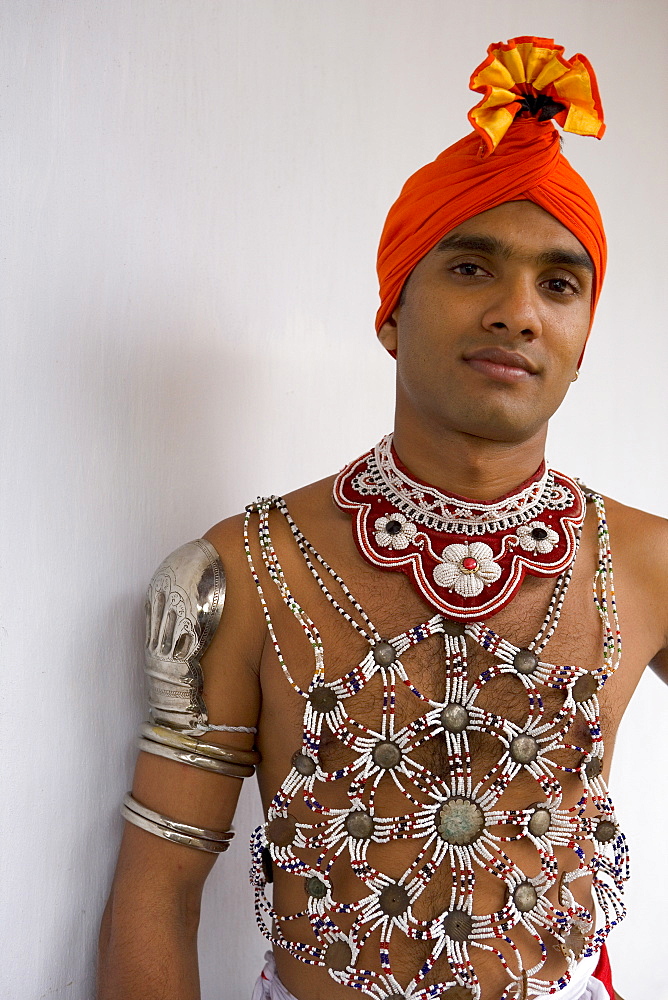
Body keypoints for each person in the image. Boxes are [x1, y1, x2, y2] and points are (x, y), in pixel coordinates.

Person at [97, 36, 666, 1000]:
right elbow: (160, 889)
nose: (519, 313)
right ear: (392, 312)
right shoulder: (243, 570)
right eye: (472, 269)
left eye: (559, 283)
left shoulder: (649, 562)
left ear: (583, 340)